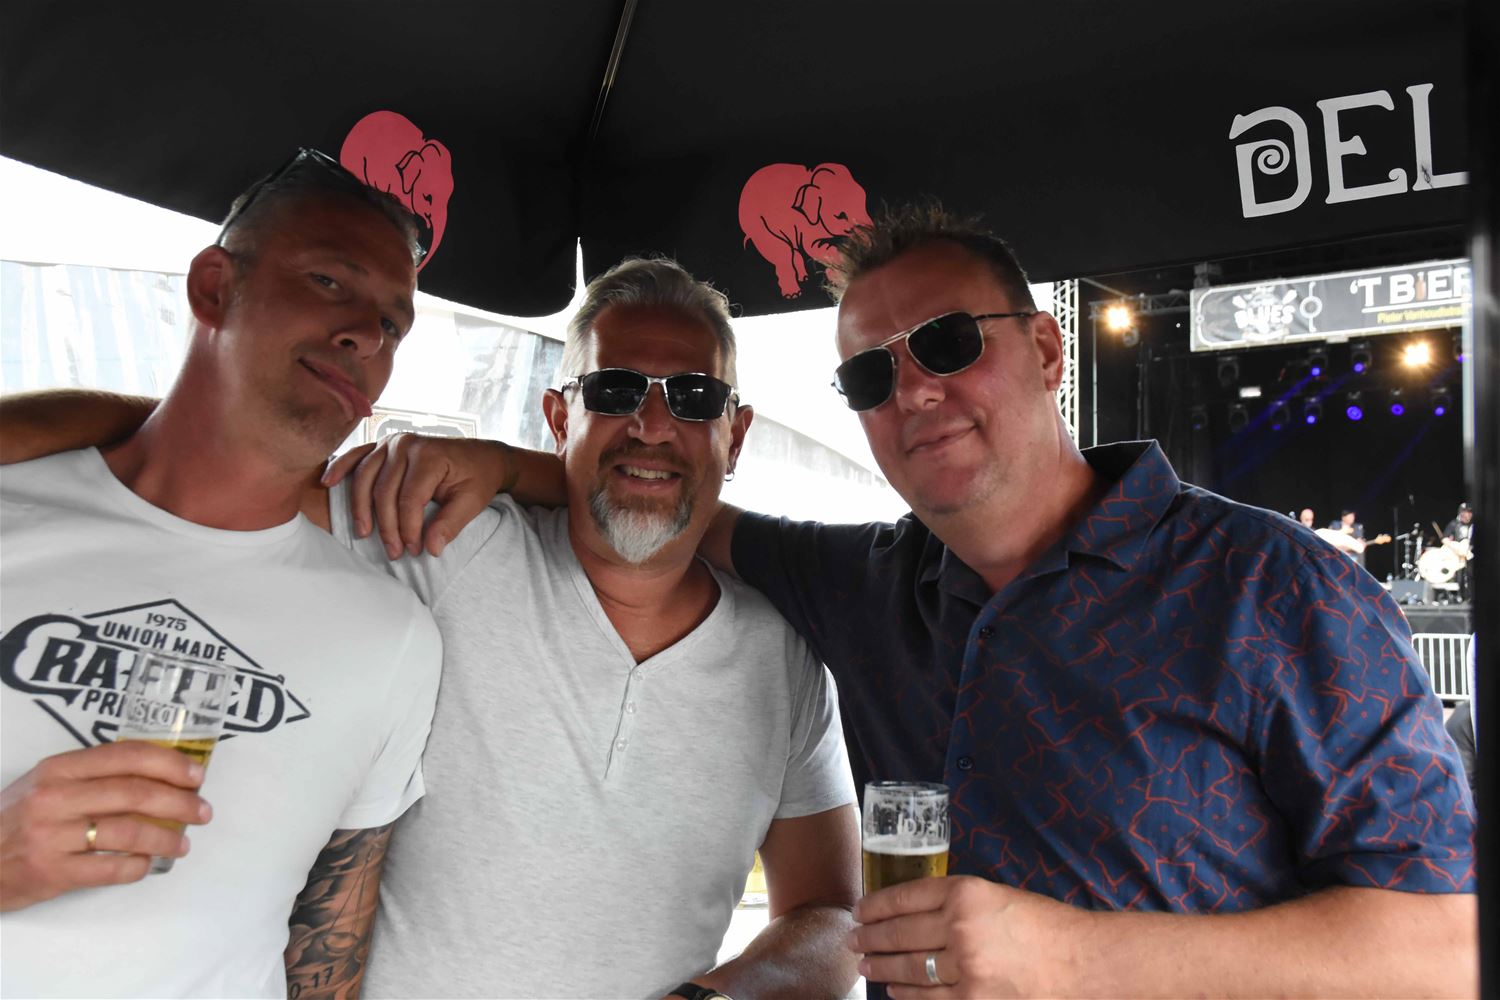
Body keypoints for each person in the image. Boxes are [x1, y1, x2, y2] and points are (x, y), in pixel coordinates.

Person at [327, 203, 1478, 998]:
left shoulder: (1274, 591)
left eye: (946, 342)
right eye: (872, 372)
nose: (914, 389)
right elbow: (670, 499)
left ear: (1047, 350)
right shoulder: (869, 587)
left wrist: (1074, 958)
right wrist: (505, 463)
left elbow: (1450, 945)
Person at [3, 258, 864, 998]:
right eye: (614, 390)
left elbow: (831, 915)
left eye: (695, 397)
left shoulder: (784, 658)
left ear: (735, 434)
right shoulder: (445, 540)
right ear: (558, 418)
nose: (652, 425)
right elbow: (213, 451)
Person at [0, 149, 442, 997]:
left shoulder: (393, 637)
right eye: (329, 282)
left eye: (394, 324)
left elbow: (330, 943)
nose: (367, 335)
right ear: (214, 288)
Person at [1442, 502, 1475, 601]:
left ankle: (1470, 597)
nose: (1467, 515)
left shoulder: (1473, 525)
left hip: (1470, 554)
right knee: (1459, 577)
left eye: (1469, 512)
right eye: (1464, 512)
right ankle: (1460, 596)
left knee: (1471, 575)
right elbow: (1445, 538)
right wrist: (1454, 546)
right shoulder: (1454, 524)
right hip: (1457, 555)